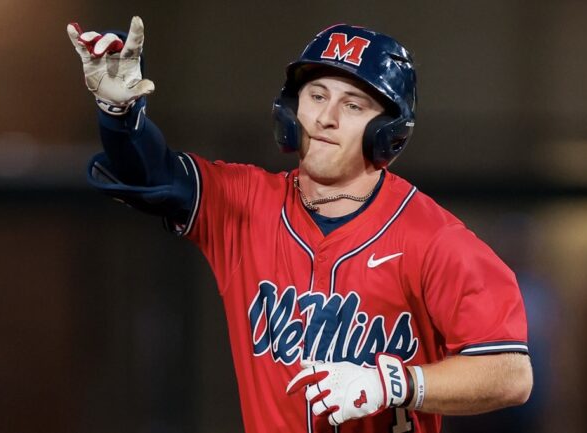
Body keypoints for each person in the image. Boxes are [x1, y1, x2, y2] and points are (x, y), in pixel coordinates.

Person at [67, 16, 533, 433]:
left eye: (353, 106)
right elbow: (151, 175)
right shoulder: (245, 204)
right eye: (316, 96)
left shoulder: (434, 238)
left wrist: (394, 382)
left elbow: (510, 374)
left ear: (387, 132)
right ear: (292, 109)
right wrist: (120, 116)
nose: (325, 118)